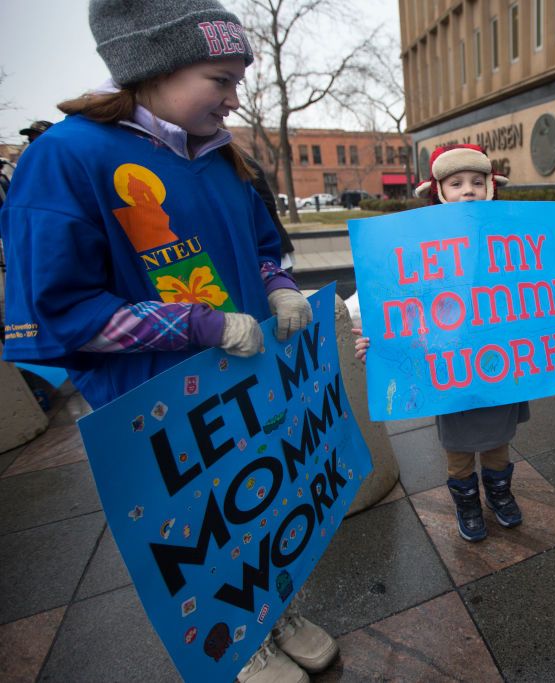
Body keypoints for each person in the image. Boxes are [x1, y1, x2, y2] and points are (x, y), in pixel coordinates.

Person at [0, 1, 337, 681]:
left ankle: (274, 607)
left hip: (247, 378)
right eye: (222, 79)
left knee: (263, 500)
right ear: (154, 68)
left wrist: (277, 284)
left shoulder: (221, 157)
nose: (235, 101)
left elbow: (264, 245)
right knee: (204, 521)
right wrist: (197, 323)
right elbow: (61, 310)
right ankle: (242, 641)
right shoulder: (64, 158)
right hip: (153, 397)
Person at [354, 143, 555, 542]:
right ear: (440, 191)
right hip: (451, 372)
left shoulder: (512, 237)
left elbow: (537, 291)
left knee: (497, 444)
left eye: (476, 181)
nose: (468, 189)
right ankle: (467, 502)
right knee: (458, 452)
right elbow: (403, 306)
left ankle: (499, 495)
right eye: (456, 183)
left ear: (490, 187)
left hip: (498, 368)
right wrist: (380, 345)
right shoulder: (418, 246)